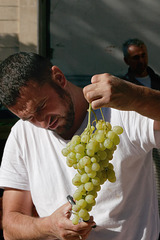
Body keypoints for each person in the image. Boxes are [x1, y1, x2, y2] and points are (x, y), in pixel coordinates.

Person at [0, 52, 160, 240]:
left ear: (59, 78)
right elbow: (10, 227)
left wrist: (137, 96)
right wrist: (48, 226)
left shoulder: (122, 111)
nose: (42, 123)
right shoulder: (22, 134)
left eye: (41, 106)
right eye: (29, 118)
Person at [122, 38, 160, 233]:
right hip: (141, 144)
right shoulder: (124, 87)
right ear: (127, 61)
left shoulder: (158, 81)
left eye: (143, 55)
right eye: (135, 57)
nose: (141, 60)